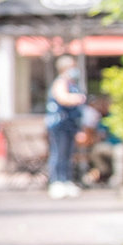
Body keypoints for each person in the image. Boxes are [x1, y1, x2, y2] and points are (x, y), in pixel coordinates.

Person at [46, 54, 88, 198]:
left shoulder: (72, 84)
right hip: (60, 124)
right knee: (59, 153)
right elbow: (62, 98)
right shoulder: (60, 82)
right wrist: (77, 99)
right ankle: (57, 181)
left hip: (70, 124)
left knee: (68, 154)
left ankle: (65, 180)